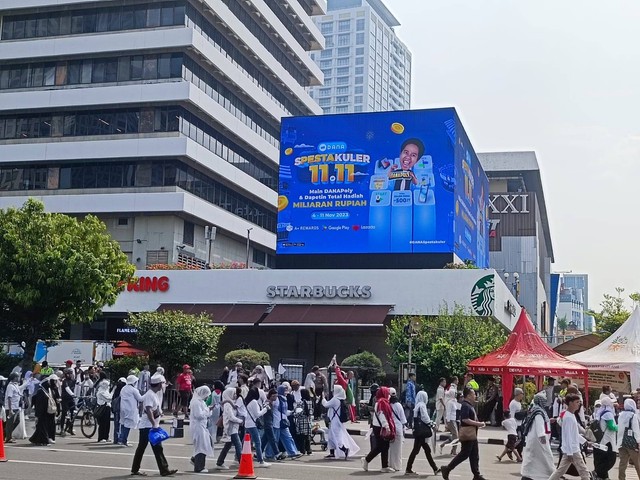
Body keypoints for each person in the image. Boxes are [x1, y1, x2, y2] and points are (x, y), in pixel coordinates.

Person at [130, 374, 177, 477]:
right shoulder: (150, 394)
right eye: (163, 383)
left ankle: (135, 469)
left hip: (149, 426)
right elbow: (148, 410)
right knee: (155, 447)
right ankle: (164, 469)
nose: (164, 385)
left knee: (145, 448)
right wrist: (154, 424)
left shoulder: (153, 394)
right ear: (159, 384)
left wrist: (158, 413)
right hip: (148, 427)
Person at [440, 387, 486, 480]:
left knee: (474, 455)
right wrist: (478, 424)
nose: (475, 396)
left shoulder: (469, 405)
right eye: (473, 394)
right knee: (464, 454)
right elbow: (465, 419)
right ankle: (447, 468)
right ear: (468, 395)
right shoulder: (465, 405)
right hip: (468, 435)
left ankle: (476, 475)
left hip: (472, 435)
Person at [548, 393, 590, 480]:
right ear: (570, 403)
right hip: (572, 449)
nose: (579, 404)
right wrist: (570, 452)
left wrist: (584, 441)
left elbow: (573, 434)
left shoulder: (570, 415)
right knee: (584, 471)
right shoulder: (568, 417)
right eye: (577, 402)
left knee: (560, 471)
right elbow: (567, 436)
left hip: (569, 449)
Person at [519, 391, 554, 480]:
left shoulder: (536, 411)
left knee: (533, 459)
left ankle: (530, 475)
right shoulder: (538, 413)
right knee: (544, 458)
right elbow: (540, 427)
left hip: (535, 440)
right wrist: (542, 437)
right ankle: (548, 475)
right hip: (539, 441)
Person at [405, 390, 439, 476]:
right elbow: (425, 418)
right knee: (418, 450)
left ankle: (435, 468)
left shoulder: (417, 405)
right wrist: (432, 425)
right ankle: (408, 469)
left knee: (425, 450)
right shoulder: (422, 405)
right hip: (422, 432)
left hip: (418, 431)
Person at [362, 386, 395, 472]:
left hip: (379, 426)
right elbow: (382, 415)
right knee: (380, 447)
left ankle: (385, 466)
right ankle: (366, 459)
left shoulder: (382, 402)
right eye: (387, 393)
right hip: (380, 427)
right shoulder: (381, 403)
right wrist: (386, 426)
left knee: (385, 446)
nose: (389, 395)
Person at [322, 384, 359, 460]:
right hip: (336, 421)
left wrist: (323, 398)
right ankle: (332, 453)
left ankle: (344, 449)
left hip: (334, 421)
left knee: (336, 437)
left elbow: (326, 405)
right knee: (331, 437)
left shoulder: (335, 399)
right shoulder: (340, 400)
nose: (333, 391)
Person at [215, 387, 244, 470]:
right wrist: (239, 420)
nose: (235, 395)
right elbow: (231, 417)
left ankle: (220, 462)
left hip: (232, 427)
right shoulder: (227, 404)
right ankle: (242, 462)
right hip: (230, 428)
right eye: (234, 393)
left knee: (227, 446)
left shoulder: (229, 403)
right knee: (238, 445)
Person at [244, 385, 271, 468]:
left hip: (247, 424)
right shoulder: (254, 402)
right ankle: (261, 461)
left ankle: (240, 457)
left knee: (246, 442)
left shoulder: (247, 401)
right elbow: (257, 414)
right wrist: (265, 409)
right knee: (258, 442)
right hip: (252, 424)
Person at [189, 385, 214, 473]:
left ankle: (195, 459)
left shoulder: (201, 402)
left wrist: (209, 410)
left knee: (207, 443)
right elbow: (198, 415)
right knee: (201, 446)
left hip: (202, 426)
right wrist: (207, 410)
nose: (207, 396)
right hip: (198, 426)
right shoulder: (196, 402)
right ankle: (199, 466)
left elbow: (205, 414)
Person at [593, 396, 618, 480]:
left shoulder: (600, 412)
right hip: (608, 440)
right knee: (611, 459)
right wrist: (620, 427)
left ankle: (603, 476)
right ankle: (597, 472)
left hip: (602, 440)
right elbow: (612, 427)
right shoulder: (608, 414)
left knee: (603, 459)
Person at [29, 375, 58, 446]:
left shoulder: (49, 390)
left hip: (48, 411)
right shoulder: (40, 391)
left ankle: (36, 439)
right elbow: (38, 404)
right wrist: (38, 414)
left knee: (46, 426)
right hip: (42, 412)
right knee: (42, 426)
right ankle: (45, 441)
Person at [617, 398, 640, 480]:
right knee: (637, 463)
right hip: (632, 443)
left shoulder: (620, 415)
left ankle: (621, 478)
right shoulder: (633, 416)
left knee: (623, 463)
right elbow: (636, 430)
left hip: (621, 442)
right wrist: (638, 442)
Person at [118, 374, 143, 446]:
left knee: (123, 423)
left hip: (123, 408)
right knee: (127, 425)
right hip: (130, 409)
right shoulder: (134, 390)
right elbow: (140, 399)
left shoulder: (124, 388)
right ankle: (124, 441)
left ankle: (121, 439)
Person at [388, 387, 407, 472]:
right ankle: (397, 466)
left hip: (390, 429)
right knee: (398, 449)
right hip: (398, 429)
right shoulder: (398, 405)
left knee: (390, 448)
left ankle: (390, 464)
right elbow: (403, 419)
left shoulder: (387, 405)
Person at [3, 372, 23, 443]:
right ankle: (8, 437)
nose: (19, 378)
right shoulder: (10, 386)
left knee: (17, 421)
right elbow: (9, 398)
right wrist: (10, 409)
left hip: (16, 407)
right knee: (10, 423)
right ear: (15, 378)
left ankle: (8, 434)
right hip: (11, 408)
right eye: (18, 377)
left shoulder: (15, 385)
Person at [440, 390, 461, 455]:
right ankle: (453, 450)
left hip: (454, 420)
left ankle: (443, 444)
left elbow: (459, 407)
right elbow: (448, 413)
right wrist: (447, 422)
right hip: (451, 421)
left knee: (455, 436)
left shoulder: (453, 401)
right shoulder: (449, 402)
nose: (455, 394)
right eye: (454, 393)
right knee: (456, 436)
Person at [294, 388, 314, 455]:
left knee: (301, 436)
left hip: (301, 420)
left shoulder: (301, 402)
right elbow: (311, 411)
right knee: (307, 436)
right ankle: (309, 449)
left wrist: (295, 415)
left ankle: (302, 449)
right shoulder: (310, 402)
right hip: (307, 420)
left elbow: (299, 411)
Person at [95, 372, 113, 443]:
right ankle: (101, 437)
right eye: (106, 385)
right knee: (102, 423)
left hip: (107, 407)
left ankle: (106, 436)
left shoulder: (106, 391)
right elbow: (108, 399)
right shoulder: (101, 392)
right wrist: (113, 392)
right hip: (102, 408)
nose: (108, 386)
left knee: (107, 423)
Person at [59, 368, 77, 436]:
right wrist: (72, 394)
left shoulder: (73, 380)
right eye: (68, 374)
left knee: (73, 413)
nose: (70, 375)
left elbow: (81, 384)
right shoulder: (65, 381)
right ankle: (62, 429)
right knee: (64, 413)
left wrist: (87, 380)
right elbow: (67, 388)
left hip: (71, 399)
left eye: (71, 373)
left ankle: (70, 428)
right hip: (65, 399)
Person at [111, 377, 126, 444]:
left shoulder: (115, 389)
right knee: (120, 425)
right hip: (119, 409)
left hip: (115, 409)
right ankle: (118, 439)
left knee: (116, 425)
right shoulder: (122, 391)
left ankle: (116, 439)